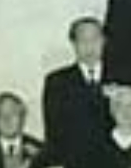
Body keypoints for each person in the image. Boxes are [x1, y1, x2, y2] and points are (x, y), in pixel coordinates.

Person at [42, 18, 115, 157]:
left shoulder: (121, 76)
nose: (89, 46)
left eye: (95, 39)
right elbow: (53, 132)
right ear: (73, 44)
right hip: (73, 161)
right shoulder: (57, 82)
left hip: (116, 161)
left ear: (104, 41)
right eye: (83, 40)